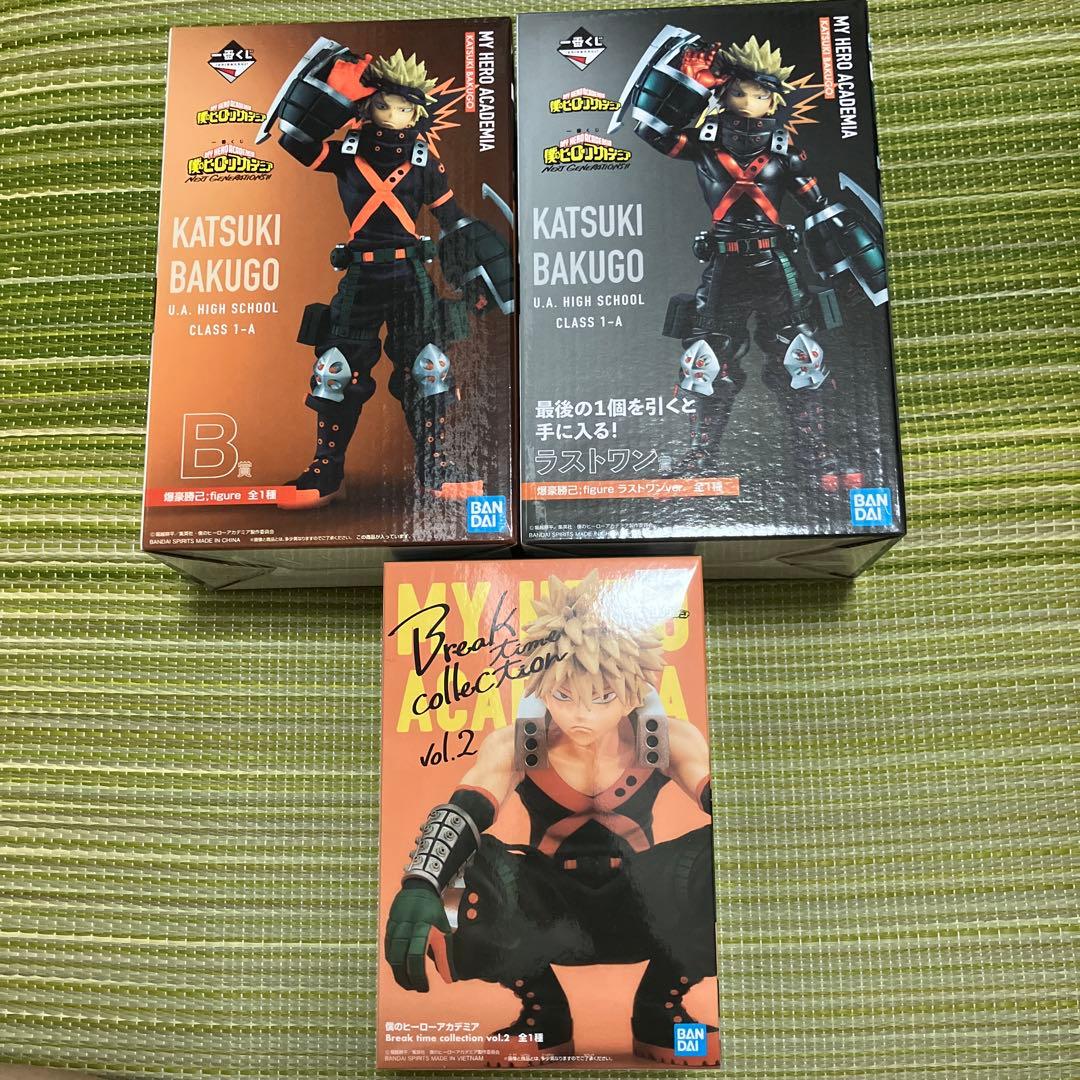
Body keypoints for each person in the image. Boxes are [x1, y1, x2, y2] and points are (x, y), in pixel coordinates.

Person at [384, 571, 719, 1066]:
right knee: (465, 860)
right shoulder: (520, 743)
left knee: (720, 851)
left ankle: (659, 1008)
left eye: (601, 698)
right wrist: (420, 883)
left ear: (634, 692)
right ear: (542, 688)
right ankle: (544, 1013)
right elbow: (464, 810)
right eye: (564, 697)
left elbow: (729, 809)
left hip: (646, 910)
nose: (581, 714)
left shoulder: (666, 739)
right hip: (545, 917)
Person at [619, 32, 886, 490]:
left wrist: (852, 267)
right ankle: (701, 457)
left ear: (774, 101)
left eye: (760, 95)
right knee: (705, 363)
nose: (748, 102)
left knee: (802, 359)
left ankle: (813, 456)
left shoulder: (784, 150)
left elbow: (820, 207)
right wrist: (692, 83)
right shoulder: (705, 141)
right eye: (739, 92)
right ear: (723, 93)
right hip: (724, 270)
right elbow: (650, 130)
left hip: (776, 268)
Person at [259, 42, 513, 507]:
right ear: (368, 105)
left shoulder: (424, 162)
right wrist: (331, 95)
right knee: (335, 371)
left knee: (429, 368)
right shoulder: (346, 153)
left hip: (411, 274)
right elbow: (295, 141)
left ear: (417, 114)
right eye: (382, 105)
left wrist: (480, 274)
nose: (392, 115)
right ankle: (326, 470)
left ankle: (435, 466)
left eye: (403, 108)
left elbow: (451, 218)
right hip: (362, 276)